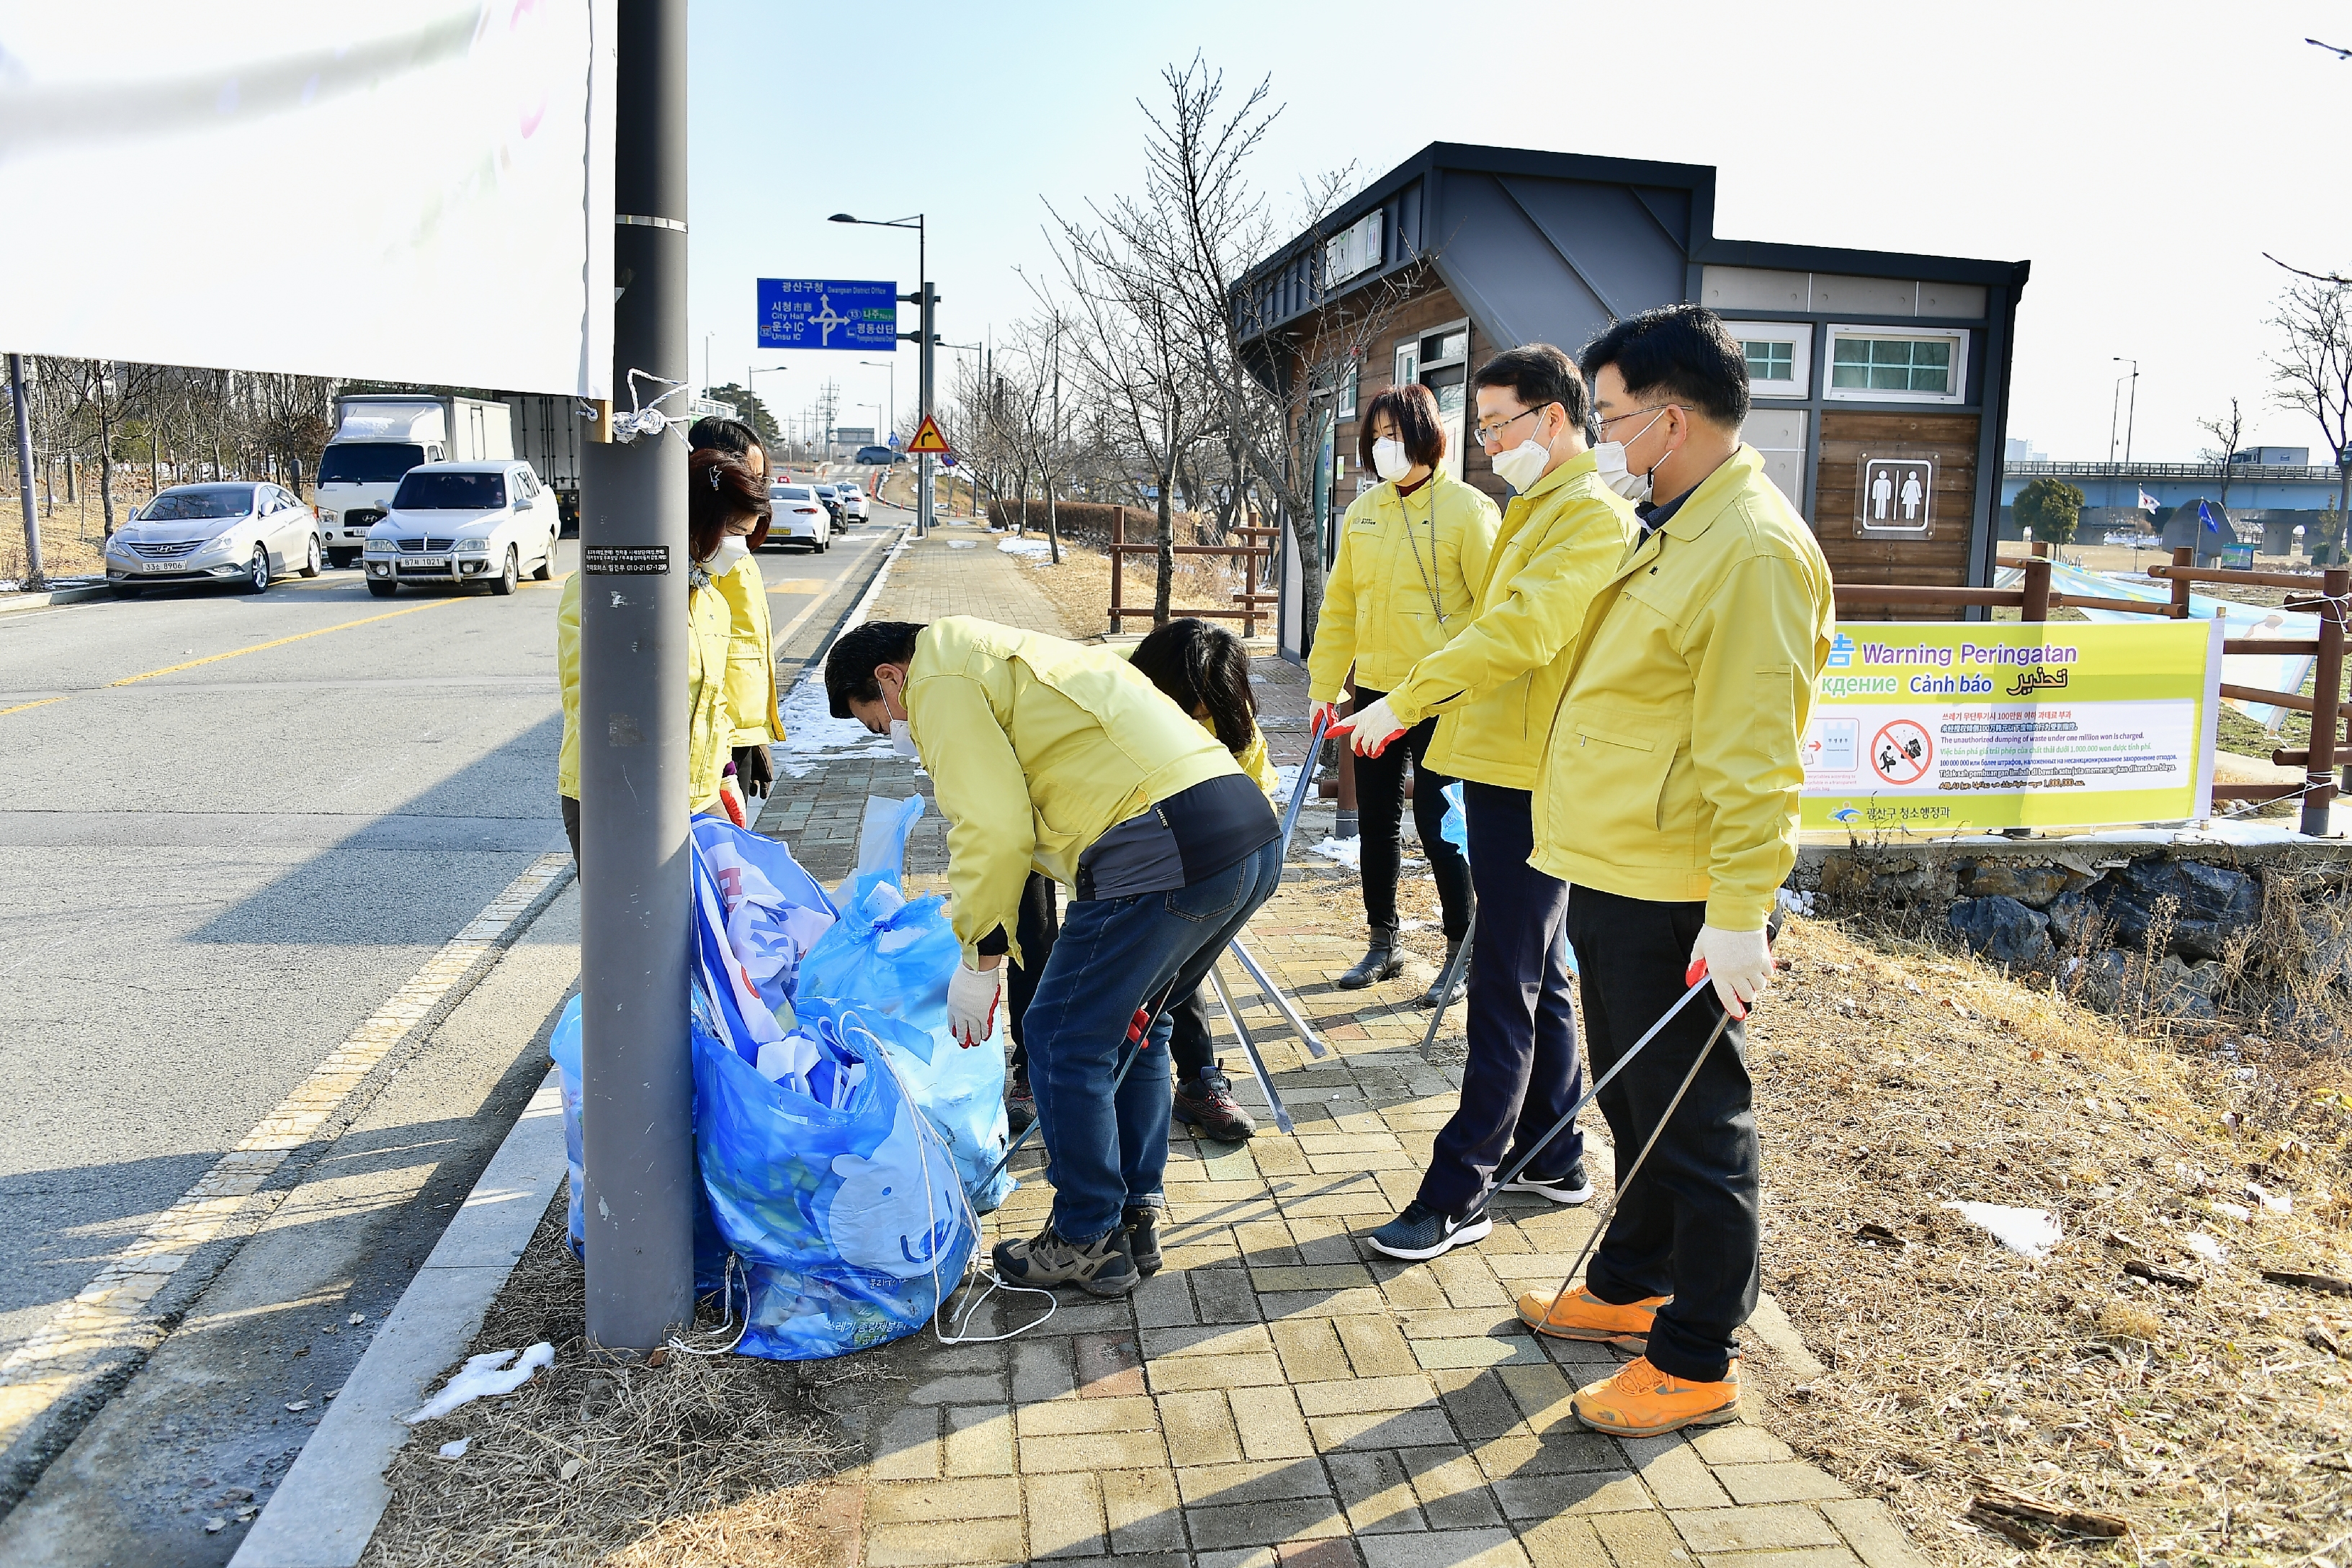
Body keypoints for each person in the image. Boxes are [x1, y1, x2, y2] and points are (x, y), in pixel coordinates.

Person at [1515, 305, 1833, 1439]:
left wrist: (1740, 913)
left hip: (1682, 893)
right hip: (1617, 865)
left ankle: (1696, 1351)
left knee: (1698, 1123)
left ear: (1670, 416)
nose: (1598, 435)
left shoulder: (1750, 548)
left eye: (1606, 416)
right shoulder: (1674, 519)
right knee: (1630, 1094)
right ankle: (1629, 1282)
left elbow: (1757, 757)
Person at [826, 617, 1283, 1297]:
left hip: (1161, 845)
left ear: (890, 677)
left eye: (877, 720)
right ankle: (1132, 1218)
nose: (896, 733)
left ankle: (1082, 1236)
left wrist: (979, 957)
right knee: (1137, 1022)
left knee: (1059, 1036)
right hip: (1243, 833)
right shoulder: (1009, 647)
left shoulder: (938, 676)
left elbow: (992, 825)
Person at [1348, 346, 1638, 1262]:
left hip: (1535, 774)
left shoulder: (1587, 515)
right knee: (1538, 967)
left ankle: (1460, 1187)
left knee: (1502, 980)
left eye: (1497, 423)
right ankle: (1554, 1152)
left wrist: (1407, 696)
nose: (1487, 440)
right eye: (1480, 426)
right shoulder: (1538, 507)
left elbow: (1519, 630)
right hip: (1505, 761)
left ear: (1553, 417)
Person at [1003, 619, 1279, 1142]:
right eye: (1186, 709)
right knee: (1031, 930)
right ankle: (1029, 1067)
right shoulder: (1101, 691)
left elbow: (1253, 777)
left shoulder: (1220, 697)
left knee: (1167, 955)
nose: (1194, 720)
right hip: (1052, 823)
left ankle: (1198, 1079)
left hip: (1157, 847)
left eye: (1205, 713)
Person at [1306, 382, 1493, 1003]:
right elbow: (1339, 608)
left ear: (1426, 433)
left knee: (1440, 823)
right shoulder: (1363, 513)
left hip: (1446, 698)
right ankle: (1382, 942)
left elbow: (1495, 614)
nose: (1385, 445)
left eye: (1395, 433)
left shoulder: (1468, 509)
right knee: (1376, 821)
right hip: (1375, 693)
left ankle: (1459, 953)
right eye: (1376, 435)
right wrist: (1322, 686)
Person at [557, 449, 771, 866]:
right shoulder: (603, 588)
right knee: (629, 928)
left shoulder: (711, 601)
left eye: (747, 535)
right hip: (618, 795)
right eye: (733, 533)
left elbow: (713, 700)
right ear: (697, 520)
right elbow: (592, 698)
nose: (741, 549)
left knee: (698, 927)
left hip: (698, 797)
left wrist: (724, 771)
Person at [684, 416, 784, 810]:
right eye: (749, 474)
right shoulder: (707, 552)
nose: (755, 488)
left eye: (761, 478)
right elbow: (707, 662)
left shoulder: (733, 548)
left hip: (736, 731)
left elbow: (748, 646)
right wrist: (730, 749)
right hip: (715, 737)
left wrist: (756, 732)